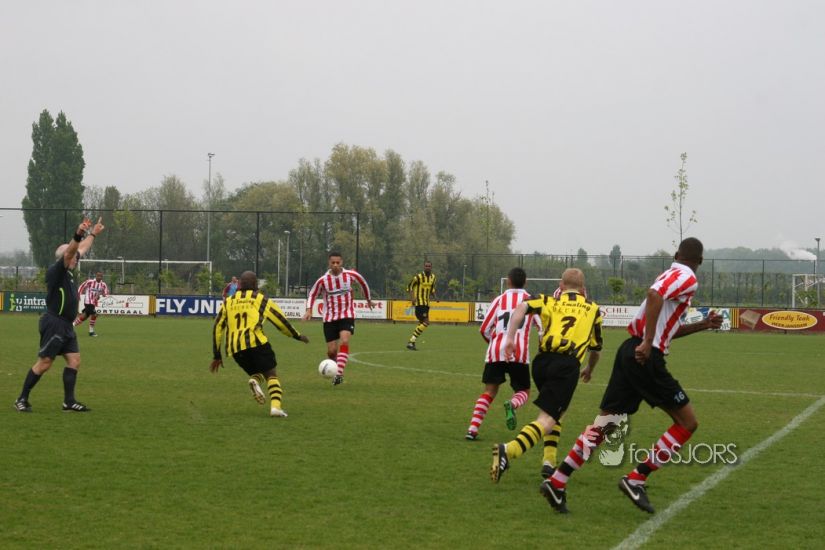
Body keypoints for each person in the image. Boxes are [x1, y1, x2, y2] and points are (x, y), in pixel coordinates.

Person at [542, 238, 723, 514]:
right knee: (687, 423)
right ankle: (636, 479)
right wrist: (648, 342)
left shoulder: (669, 273)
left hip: (629, 350)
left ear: (676, 254)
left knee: (606, 423)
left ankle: (558, 481)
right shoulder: (687, 277)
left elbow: (665, 327)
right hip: (645, 356)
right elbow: (654, 295)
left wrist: (703, 324)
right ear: (700, 261)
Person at [490, 268, 603, 488]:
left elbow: (521, 308)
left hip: (542, 363)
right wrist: (589, 368)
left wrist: (510, 338)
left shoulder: (550, 300)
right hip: (566, 365)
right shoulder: (593, 309)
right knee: (547, 419)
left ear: (561, 286)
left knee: (556, 411)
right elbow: (596, 348)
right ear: (583, 289)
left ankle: (549, 462)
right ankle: (509, 450)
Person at [14, 217, 105, 413]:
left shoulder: (69, 270)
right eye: (73, 255)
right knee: (45, 363)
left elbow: (81, 249)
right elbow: (72, 250)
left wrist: (93, 234)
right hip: (54, 323)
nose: (77, 257)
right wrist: (78, 233)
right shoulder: (57, 271)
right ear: (65, 257)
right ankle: (21, 399)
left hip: (66, 325)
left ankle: (69, 402)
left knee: (74, 360)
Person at [211, 271, 309, 417]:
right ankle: (276, 407)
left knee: (258, 373)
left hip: (235, 349)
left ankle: (254, 379)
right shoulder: (261, 299)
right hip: (256, 343)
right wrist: (297, 336)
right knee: (271, 374)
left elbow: (217, 328)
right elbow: (280, 321)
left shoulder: (228, 302)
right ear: (256, 284)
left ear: (239, 285)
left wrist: (217, 355)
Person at [465, 267, 541, 441]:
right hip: (519, 353)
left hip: (496, 351)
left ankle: (472, 429)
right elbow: (542, 329)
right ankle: (512, 404)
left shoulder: (499, 300)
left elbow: (484, 329)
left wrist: (494, 344)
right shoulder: (531, 301)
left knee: (489, 391)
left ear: (508, 281)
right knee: (524, 391)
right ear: (525, 282)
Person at [302, 251, 373, 386]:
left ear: (342, 262)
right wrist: (309, 309)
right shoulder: (323, 280)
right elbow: (312, 294)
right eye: (333, 262)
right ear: (329, 263)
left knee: (344, 341)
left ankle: (339, 374)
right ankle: (335, 368)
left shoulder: (350, 275)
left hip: (347, 315)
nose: (335, 265)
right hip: (329, 318)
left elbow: (363, 283)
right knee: (332, 351)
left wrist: (368, 299)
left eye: (337, 262)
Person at [405, 261, 437, 351]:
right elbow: (409, 287)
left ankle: (412, 342)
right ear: (424, 267)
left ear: (431, 267)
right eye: (426, 266)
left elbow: (432, 289)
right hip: (419, 304)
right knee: (426, 322)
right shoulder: (418, 277)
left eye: (429, 266)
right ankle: (411, 341)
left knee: (422, 323)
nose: (427, 267)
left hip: (427, 304)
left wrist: (435, 296)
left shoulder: (433, 277)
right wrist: (412, 298)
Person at [73, 271, 109, 336]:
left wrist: (102, 294)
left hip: (93, 302)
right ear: (96, 276)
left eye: (100, 276)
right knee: (94, 314)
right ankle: (91, 332)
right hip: (88, 301)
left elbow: (106, 293)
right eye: (98, 276)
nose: (99, 277)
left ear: (102, 277)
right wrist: (78, 295)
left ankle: (71, 326)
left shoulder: (103, 284)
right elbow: (81, 286)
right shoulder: (90, 282)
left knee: (85, 316)